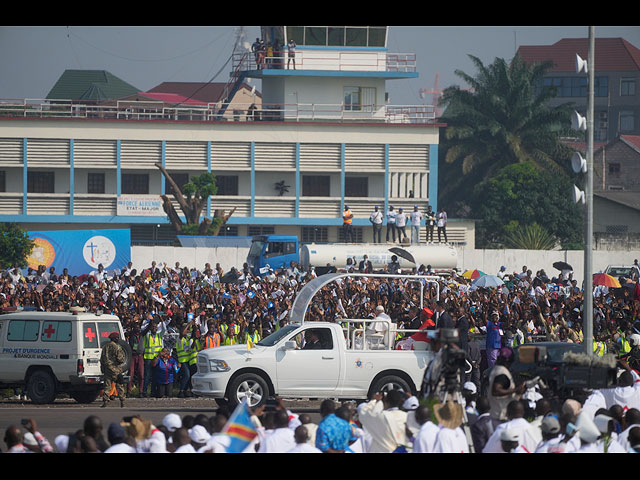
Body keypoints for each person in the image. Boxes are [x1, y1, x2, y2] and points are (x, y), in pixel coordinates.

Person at [486, 347, 525, 422]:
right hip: (501, 416)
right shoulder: (502, 373)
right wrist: (515, 390)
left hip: (495, 413)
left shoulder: (496, 369)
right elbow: (496, 391)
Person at [100, 331, 126, 408]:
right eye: (117, 338)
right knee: (120, 386)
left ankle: (105, 402)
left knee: (107, 386)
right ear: (114, 338)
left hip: (108, 369)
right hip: (116, 370)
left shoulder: (105, 347)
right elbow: (120, 359)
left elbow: (102, 359)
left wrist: (103, 368)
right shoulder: (117, 347)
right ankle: (122, 402)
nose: (118, 339)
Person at [142, 320, 163, 397]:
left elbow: (163, 329)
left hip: (156, 359)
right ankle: (144, 392)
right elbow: (144, 332)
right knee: (147, 376)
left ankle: (153, 392)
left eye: (155, 327)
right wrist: (149, 325)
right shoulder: (148, 336)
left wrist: (161, 319)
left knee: (155, 376)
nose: (154, 328)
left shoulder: (159, 335)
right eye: (153, 327)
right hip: (148, 358)